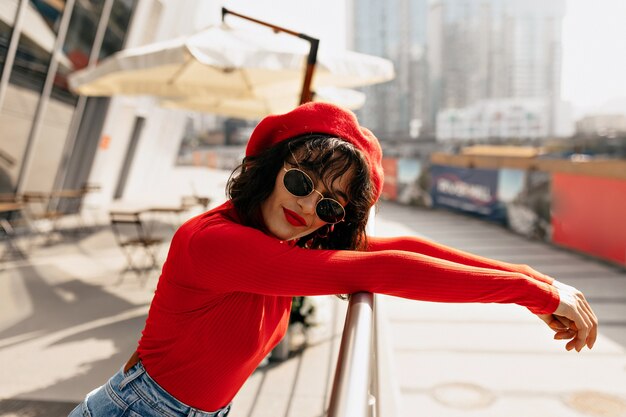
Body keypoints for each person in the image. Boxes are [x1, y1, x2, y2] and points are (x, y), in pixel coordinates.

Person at [69, 102, 597, 417]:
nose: (305, 205)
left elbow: (398, 249)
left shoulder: (285, 240)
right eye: (300, 181)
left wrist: (535, 280)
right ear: (272, 169)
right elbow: (379, 269)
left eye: (328, 203)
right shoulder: (218, 242)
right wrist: (539, 296)